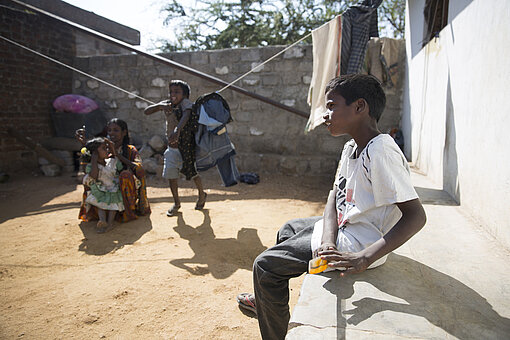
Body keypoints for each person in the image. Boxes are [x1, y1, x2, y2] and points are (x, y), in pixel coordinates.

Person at [236, 74, 427, 340]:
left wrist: (365, 257)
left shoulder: (381, 150)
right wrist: (327, 239)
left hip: (359, 245)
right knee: (288, 228)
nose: (326, 114)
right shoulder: (351, 148)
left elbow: (416, 216)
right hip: (345, 233)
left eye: (331, 106)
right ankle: (269, 302)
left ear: (360, 107)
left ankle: (275, 331)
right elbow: (333, 197)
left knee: (264, 266)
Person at [144, 80, 207, 217]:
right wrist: (160, 106)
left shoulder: (186, 104)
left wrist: (177, 130)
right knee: (171, 176)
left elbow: (186, 115)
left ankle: (202, 194)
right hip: (172, 149)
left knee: (193, 172)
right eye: (171, 91)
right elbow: (146, 111)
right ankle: (177, 203)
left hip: (187, 148)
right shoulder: (168, 104)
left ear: (184, 95)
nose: (173, 94)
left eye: (177, 92)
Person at [77, 118, 151, 223]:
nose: (112, 133)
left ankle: (127, 212)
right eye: (109, 130)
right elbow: (88, 166)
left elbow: (140, 170)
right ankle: (99, 214)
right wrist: (85, 144)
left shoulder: (130, 150)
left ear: (124, 132)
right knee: (90, 178)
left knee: (125, 175)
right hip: (105, 185)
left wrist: (117, 155)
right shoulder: (103, 148)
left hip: (123, 186)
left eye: (116, 130)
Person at [80, 137, 124, 233]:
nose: (107, 150)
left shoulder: (112, 162)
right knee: (100, 205)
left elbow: (120, 167)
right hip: (102, 189)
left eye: (107, 148)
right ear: (95, 154)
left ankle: (110, 223)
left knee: (114, 206)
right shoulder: (92, 167)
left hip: (114, 188)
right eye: (104, 148)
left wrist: (112, 148)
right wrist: (94, 160)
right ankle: (103, 221)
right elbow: (94, 176)